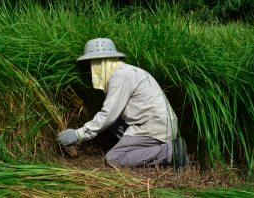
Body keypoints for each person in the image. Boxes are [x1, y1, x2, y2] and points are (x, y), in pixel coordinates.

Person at [57, 38, 189, 170]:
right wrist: (84, 137)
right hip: (156, 124)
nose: (91, 70)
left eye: (91, 64)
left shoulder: (120, 77)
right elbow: (110, 117)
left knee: (113, 159)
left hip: (154, 128)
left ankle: (171, 151)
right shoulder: (124, 71)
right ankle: (140, 149)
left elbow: (108, 115)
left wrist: (78, 134)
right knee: (111, 122)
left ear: (100, 63)